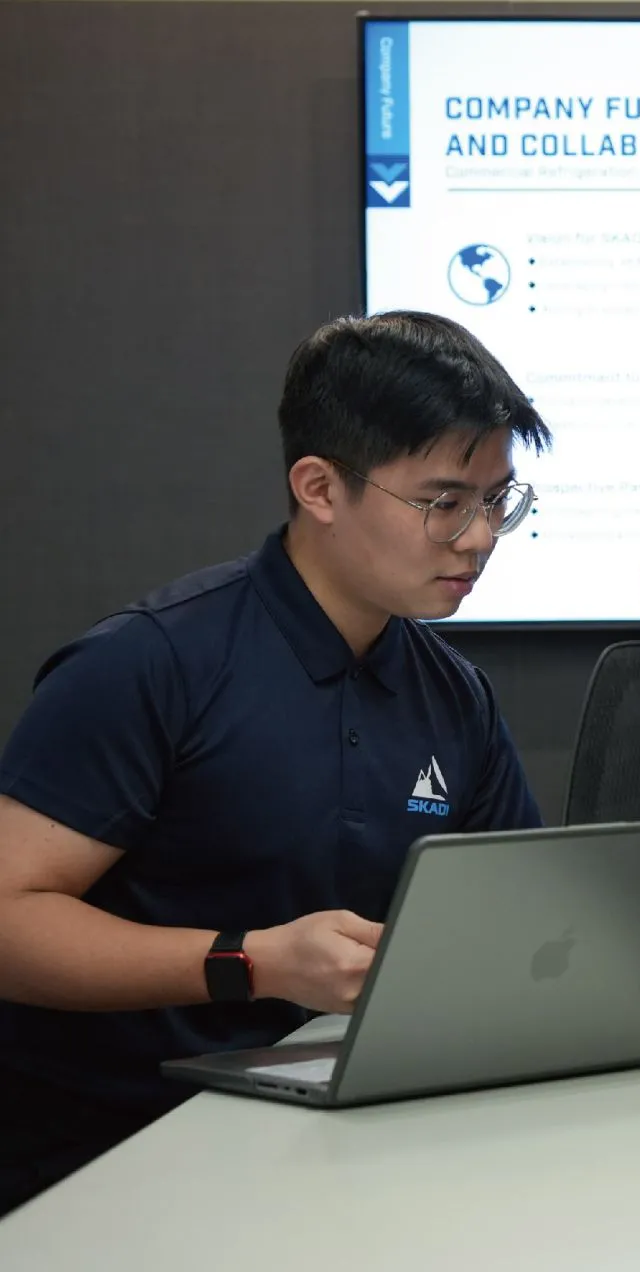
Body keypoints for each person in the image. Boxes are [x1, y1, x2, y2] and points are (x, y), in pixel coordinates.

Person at [0, 311, 550, 1215]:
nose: (480, 537)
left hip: (347, 1149)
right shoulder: (150, 664)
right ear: (320, 487)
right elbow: (12, 923)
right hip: (118, 1162)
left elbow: (521, 925)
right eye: (444, 503)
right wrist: (248, 962)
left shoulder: (454, 696)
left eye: (499, 501)